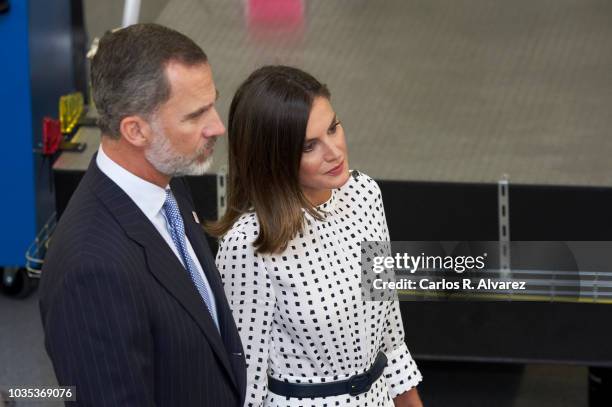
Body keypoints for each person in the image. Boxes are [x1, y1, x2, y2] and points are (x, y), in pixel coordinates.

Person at [39, 24, 246, 406]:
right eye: (195, 115)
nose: (217, 126)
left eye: (212, 104)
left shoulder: (169, 184)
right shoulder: (90, 270)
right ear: (136, 130)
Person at [209, 66, 423, 406]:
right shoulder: (247, 244)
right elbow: (246, 383)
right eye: (310, 146)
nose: (334, 152)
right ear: (272, 158)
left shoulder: (365, 194)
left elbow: (392, 339)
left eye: (333, 128)